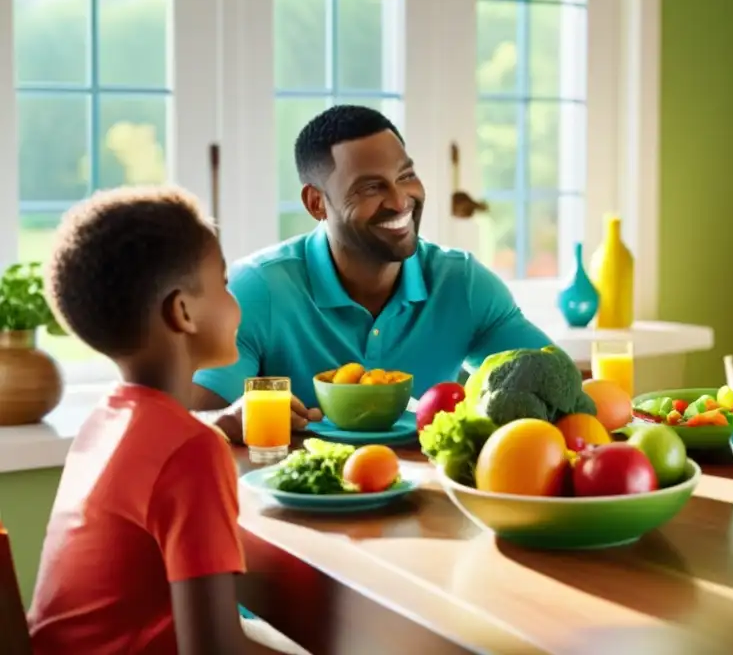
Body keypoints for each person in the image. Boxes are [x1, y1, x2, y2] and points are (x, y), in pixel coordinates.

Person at [28, 186, 305, 654]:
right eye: (223, 284)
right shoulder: (192, 452)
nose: (236, 302)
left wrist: (216, 427)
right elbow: (214, 649)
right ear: (182, 311)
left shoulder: (107, 421)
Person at [191, 105, 551, 441]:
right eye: (370, 187)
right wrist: (229, 418)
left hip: (429, 499)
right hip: (299, 501)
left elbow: (555, 381)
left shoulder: (463, 283)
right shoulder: (259, 289)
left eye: (405, 176)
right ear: (316, 203)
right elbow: (192, 420)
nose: (399, 201)